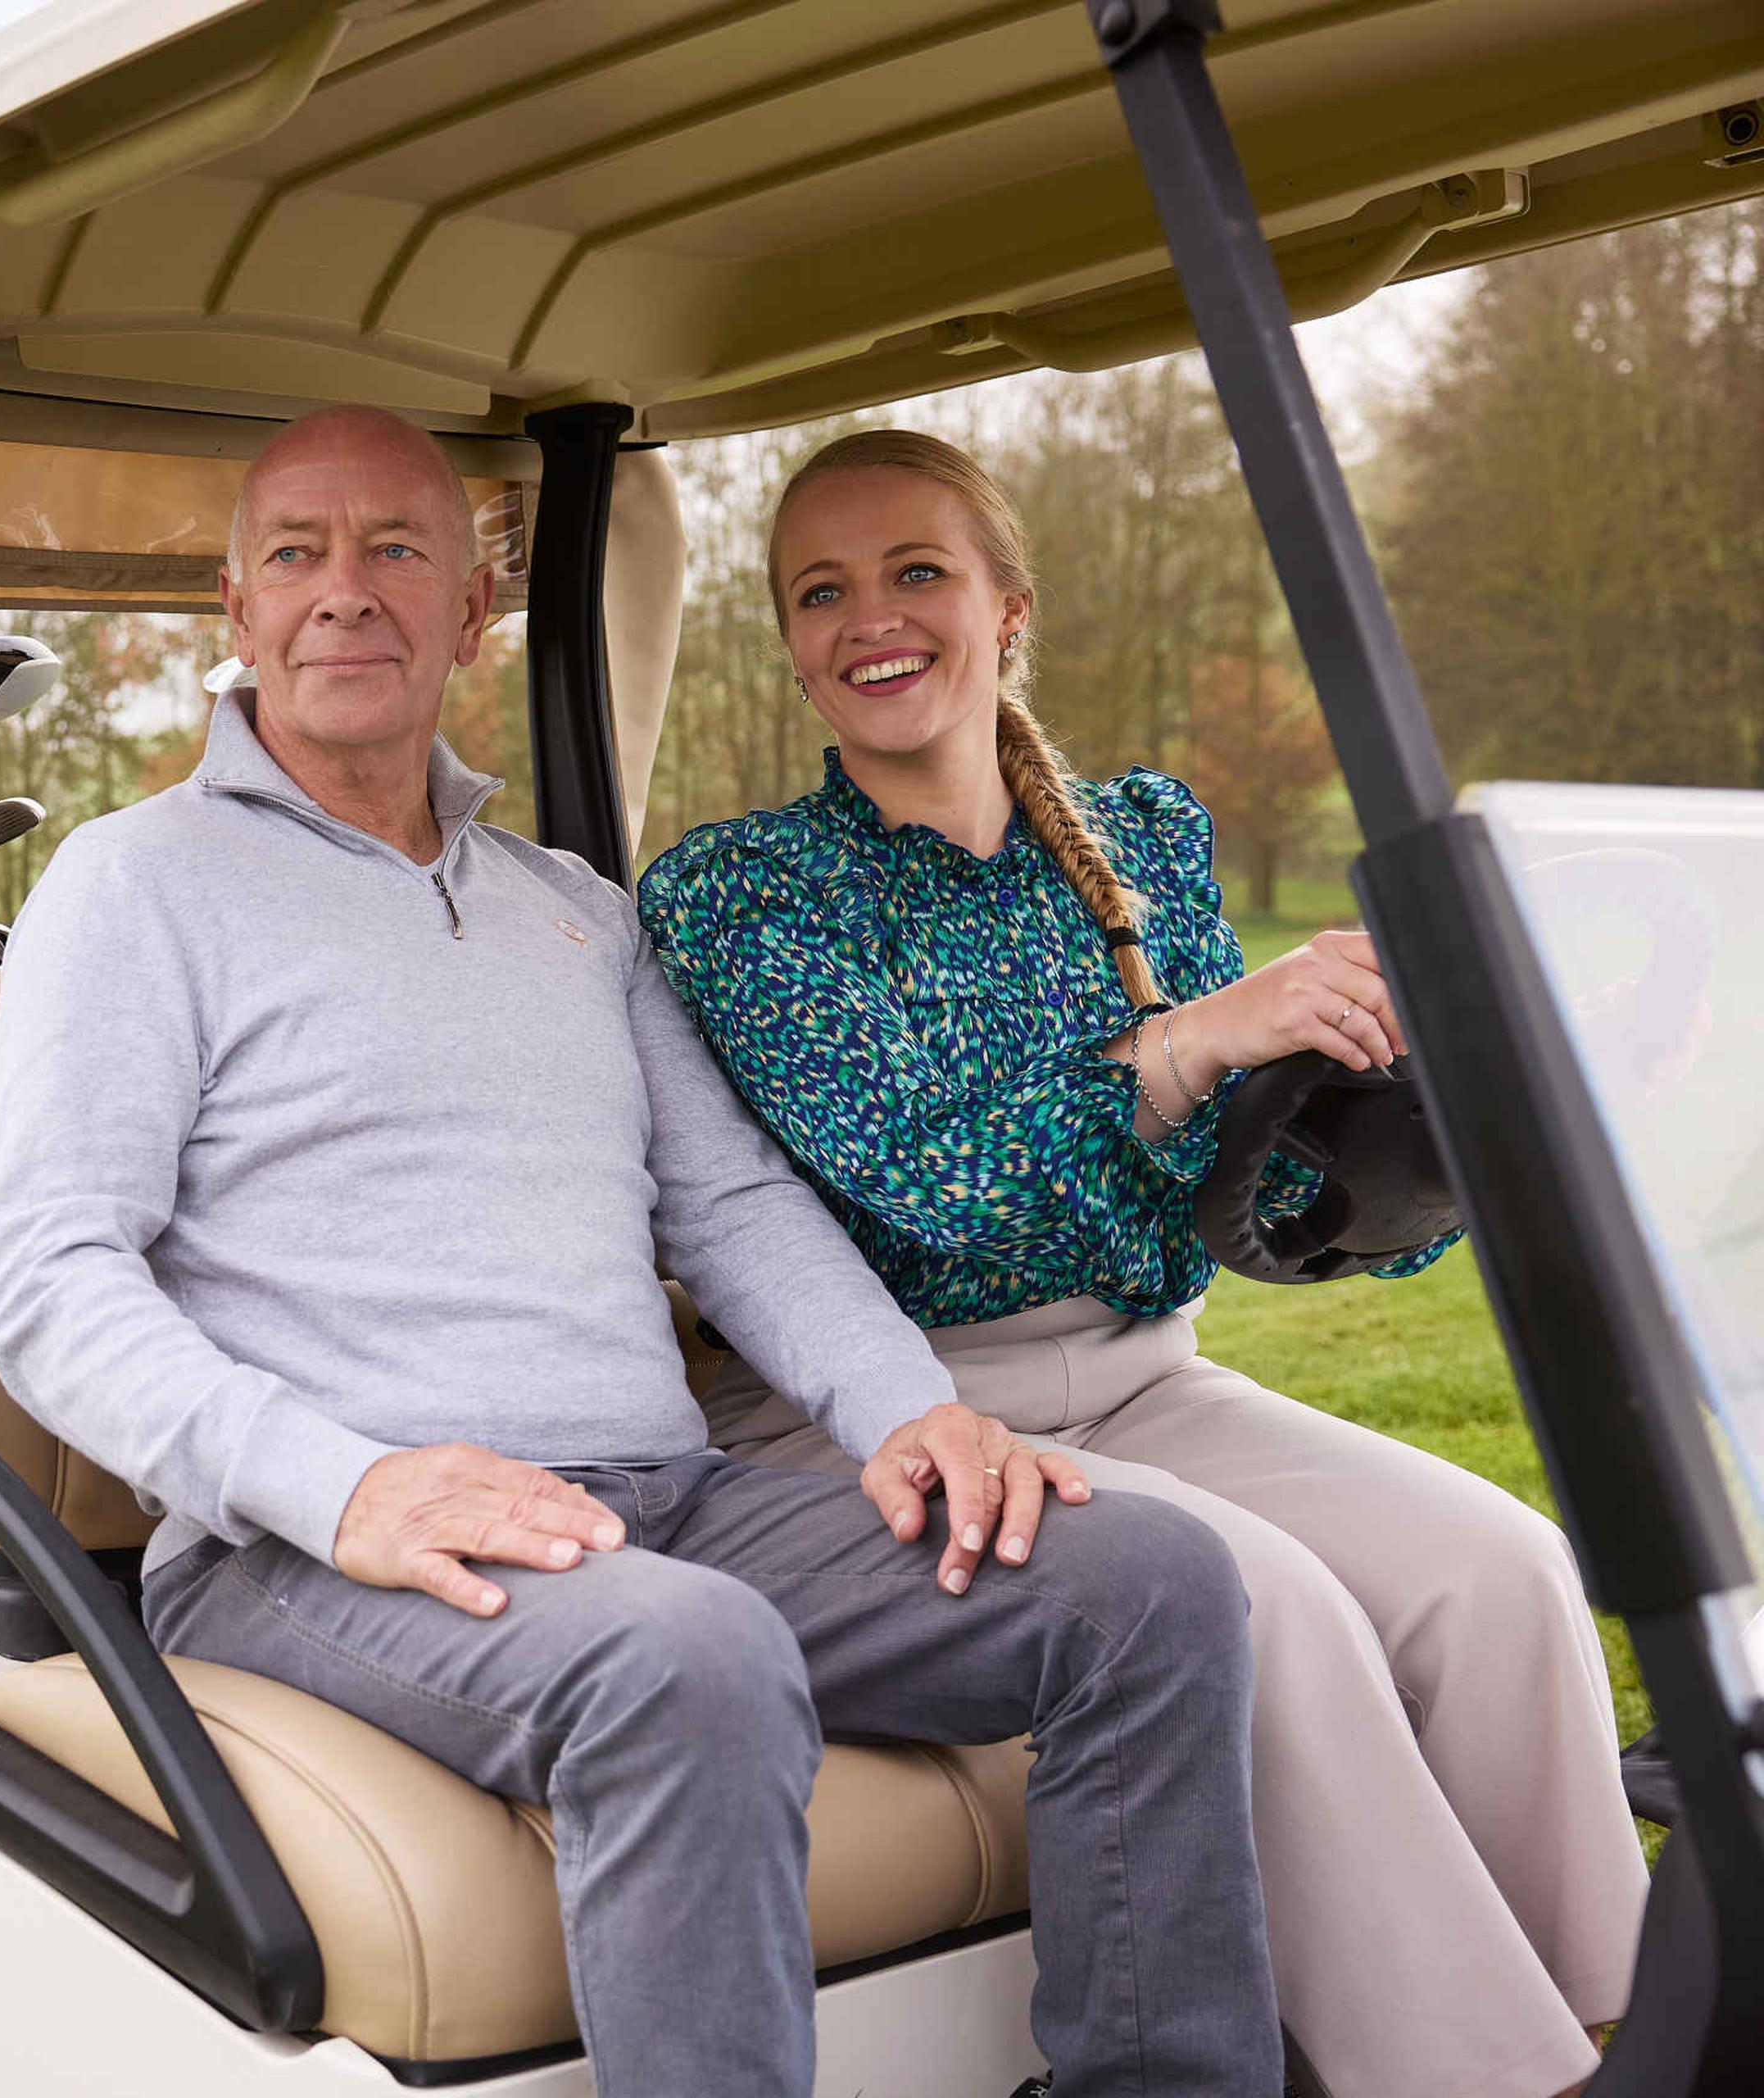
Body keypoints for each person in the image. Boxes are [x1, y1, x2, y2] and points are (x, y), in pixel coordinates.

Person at [0, 404, 1281, 2098]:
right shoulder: (134, 884)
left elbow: (731, 1208)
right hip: (317, 1540)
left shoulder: (574, 908)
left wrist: (913, 1414)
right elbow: (52, 1278)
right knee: (693, 1656)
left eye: (396, 549)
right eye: (297, 552)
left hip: (657, 1498)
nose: (344, 589)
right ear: (238, 609)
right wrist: (348, 1487)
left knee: (1149, 1583)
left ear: (471, 609)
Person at [637, 427, 1650, 2098]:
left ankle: (1616, 2025)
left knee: (1501, 1568)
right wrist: (1190, 1042)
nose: (869, 617)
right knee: (1276, 1611)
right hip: (873, 1411)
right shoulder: (742, 893)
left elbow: (1243, 1191)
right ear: (794, 642)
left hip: (1140, 1375)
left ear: (1008, 605)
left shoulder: (1146, 838)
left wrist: (1413, 1108)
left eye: (916, 571)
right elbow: (929, 1174)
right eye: (821, 591)